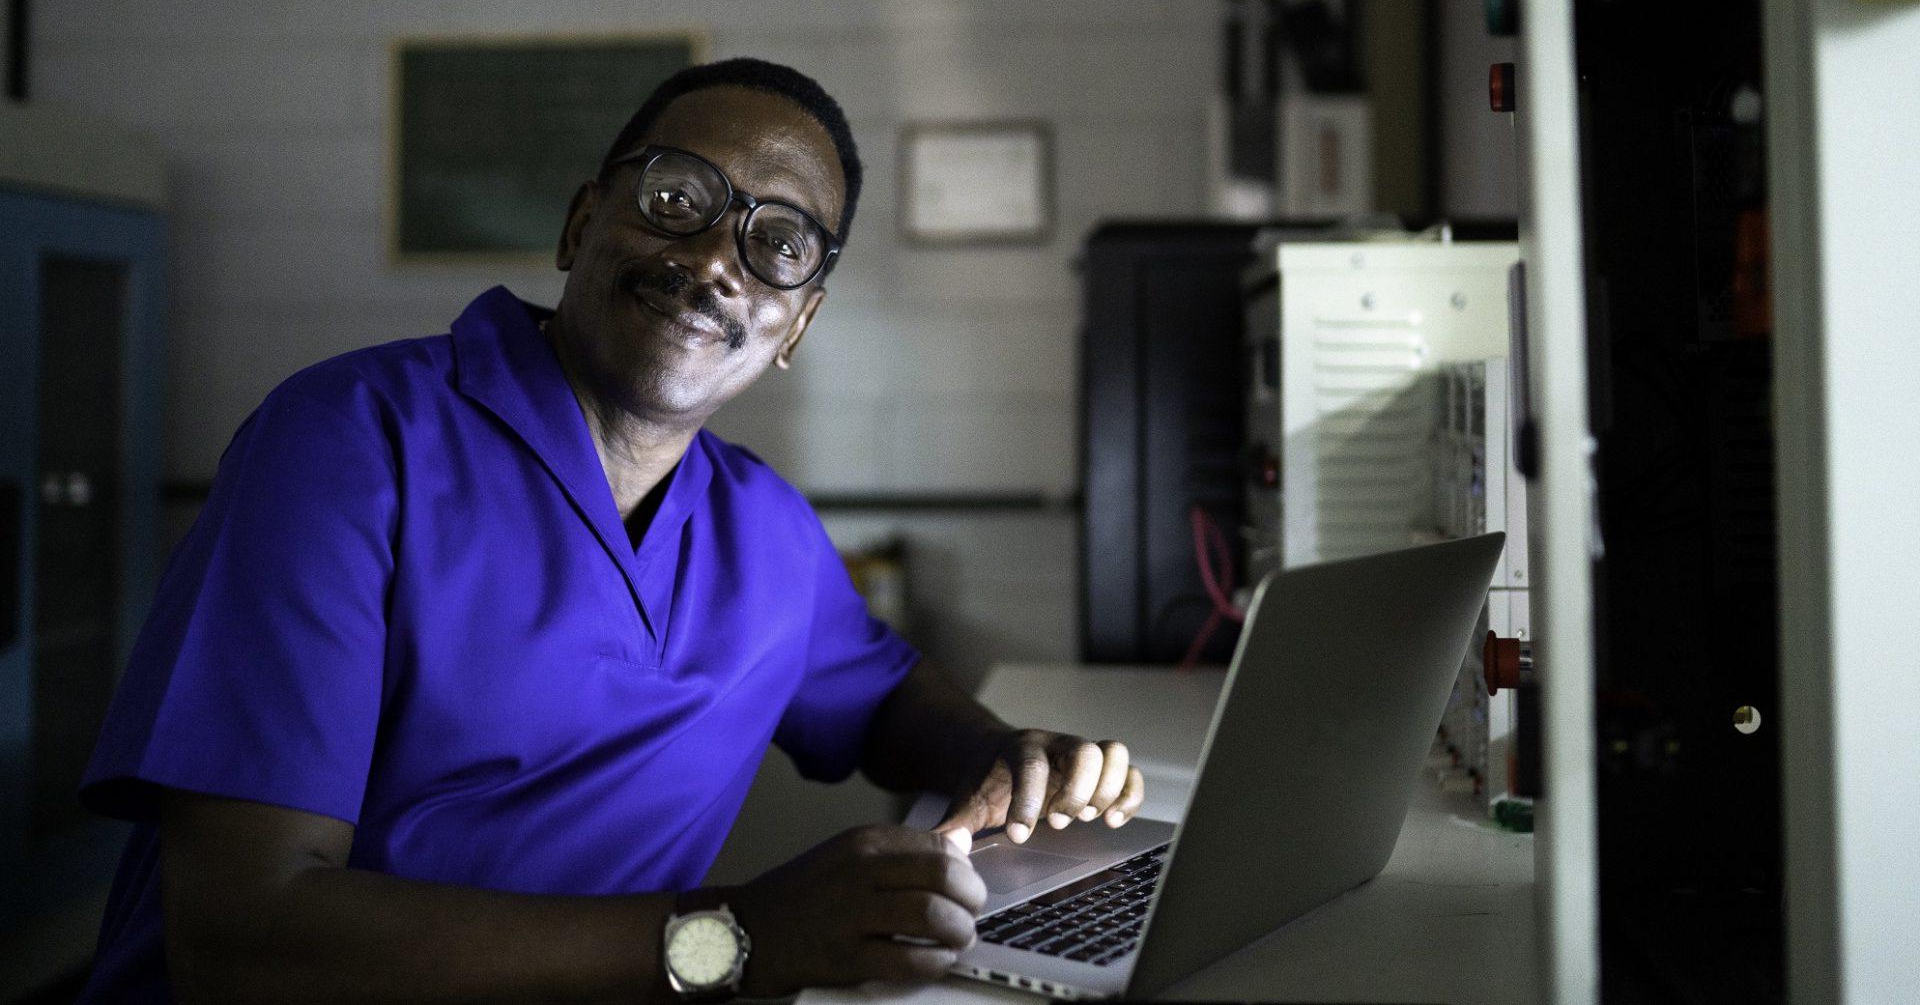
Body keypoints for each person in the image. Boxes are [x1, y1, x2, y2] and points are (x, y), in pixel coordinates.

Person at [75, 58, 1145, 1003]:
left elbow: (881, 696)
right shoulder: (351, 444)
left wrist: (1000, 753)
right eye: (679, 196)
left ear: (797, 325)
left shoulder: (760, 525)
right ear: (582, 223)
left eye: (779, 244)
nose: (719, 257)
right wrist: (739, 939)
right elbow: (241, 941)